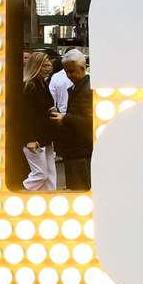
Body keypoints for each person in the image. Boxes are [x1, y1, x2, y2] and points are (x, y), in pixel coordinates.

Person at [16, 52, 58, 191]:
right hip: (35, 137)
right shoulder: (30, 86)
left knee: (50, 174)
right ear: (36, 66)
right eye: (44, 65)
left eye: (49, 65)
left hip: (44, 135)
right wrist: (29, 139)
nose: (48, 68)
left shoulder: (41, 83)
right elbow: (25, 116)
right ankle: (20, 193)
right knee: (41, 174)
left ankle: (47, 199)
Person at [51, 50, 92, 191]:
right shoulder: (81, 87)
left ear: (83, 68)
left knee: (79, 189)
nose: (69, 76)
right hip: (77, 150)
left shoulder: (86, 90)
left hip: (80, 151)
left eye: (72, 72)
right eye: (67, 72)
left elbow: (89, 121)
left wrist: (65, 118)